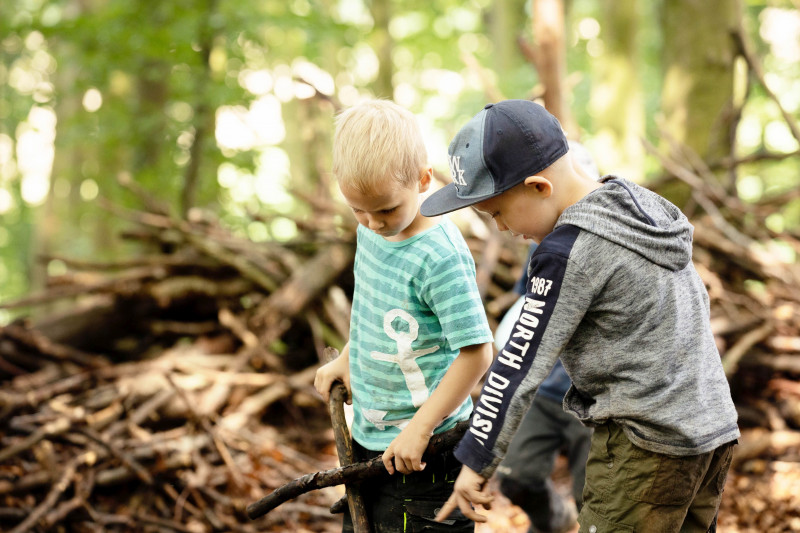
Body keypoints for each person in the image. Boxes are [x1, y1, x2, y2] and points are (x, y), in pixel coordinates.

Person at [421, 99, 740, 532]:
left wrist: (476, 463)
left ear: (538, 186)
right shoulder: (640, 207)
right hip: (712, 430)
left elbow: (518, 364)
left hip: (645, 446)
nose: (499, 228)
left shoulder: (567, 251)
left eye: (496, 211)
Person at [314, 99, 495, 533]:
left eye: (387, 209)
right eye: (359, 210)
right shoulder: (372, 230)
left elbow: (477, 353)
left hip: (426, 454)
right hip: (367, 440)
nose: (372, 223)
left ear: (423, 179)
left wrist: (420, 427)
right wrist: (349, 358)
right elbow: (373, 302)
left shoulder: (440, 257)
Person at [493, 141, 598, 533]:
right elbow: (529, 310)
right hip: (544, 392)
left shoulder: (604, 246)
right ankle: (554, 520)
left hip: (592, 398)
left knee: (596, 499)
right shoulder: (544, 248)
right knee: (516, 476)